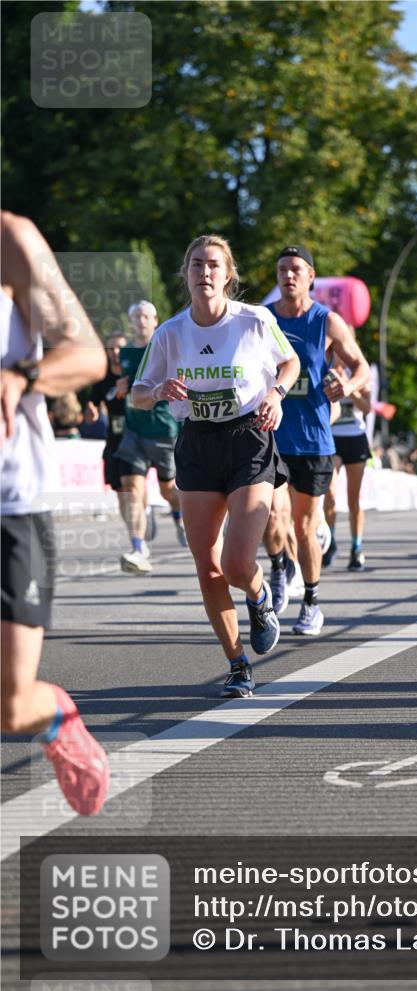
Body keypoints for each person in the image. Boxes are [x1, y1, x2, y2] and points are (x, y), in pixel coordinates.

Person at [131, 234, 300, 697]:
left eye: (213, 265)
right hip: (197, 446)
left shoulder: (255, 321)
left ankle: (261, 597)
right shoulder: (170, 333)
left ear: (228, 275)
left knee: (237, 562)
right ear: (185, 274)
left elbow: (290, 362)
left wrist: (276, 394)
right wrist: (161, 390)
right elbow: (136, 394)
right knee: (207, 568)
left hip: (248, 440)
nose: (204, 272)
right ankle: (238, 664)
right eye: (196, 265)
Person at [1, 210, 109, 814]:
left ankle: (58, 717)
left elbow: (89, 354)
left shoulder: (11, 241)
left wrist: (22, 376)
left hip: (11, 502)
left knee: (12, 705)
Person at [262, 245, 370, 633]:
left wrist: (348, 384)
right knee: (271, 517)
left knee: (306, 526)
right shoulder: (263, 319)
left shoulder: (327, 321)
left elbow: (362, 366)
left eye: (296, 269)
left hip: (313, 438)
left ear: (310, 276)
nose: (288, 276)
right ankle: (278, 566)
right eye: (281, 270)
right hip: (270, 435)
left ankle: (311, 601)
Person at [114, 300, 185, 575]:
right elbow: (125, 384)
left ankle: (179, 516)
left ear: (155, 321)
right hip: (134, 431)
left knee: (169, 490)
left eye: (146, 316)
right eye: (136, 316)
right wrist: (122, 386)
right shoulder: (126, 353)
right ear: (131, 322)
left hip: (163, 430)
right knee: (132, 486)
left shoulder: (165, 348)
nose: (141, 321)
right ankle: (138, 546)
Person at [323, 352, 372, 570]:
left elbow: (367, 408)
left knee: (353, 500)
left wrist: (349, 388)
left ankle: (356, 547)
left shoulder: (359, 373)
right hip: (333, 439)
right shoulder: (325, 371)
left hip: (356, 439)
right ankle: (331, 542)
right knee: (330, 494)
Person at [85, 330, 130, 502]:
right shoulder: (102, 378)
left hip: (136, 435)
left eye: (120, 347)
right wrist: (91, 413)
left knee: (133, 482)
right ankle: (135, 525)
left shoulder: (134, 372)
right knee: (119, 489)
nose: (115, 351)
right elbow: (90, 413)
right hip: (114, 437)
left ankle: (142, 518)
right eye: (111, 348)